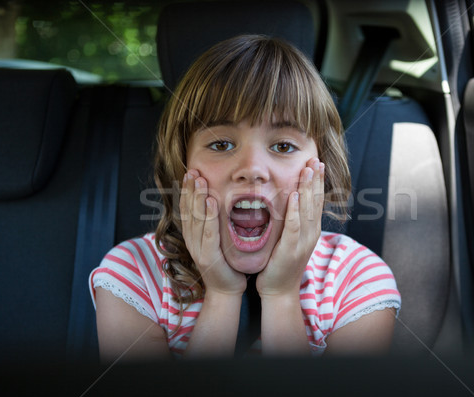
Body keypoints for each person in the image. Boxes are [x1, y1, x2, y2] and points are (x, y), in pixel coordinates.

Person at [89, 34, 401, 362]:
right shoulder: (133, 274)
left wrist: (282, 294)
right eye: (221, 144)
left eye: (283, 146)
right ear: (182, 165)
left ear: (322, 170)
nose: (252, 169)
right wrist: (222, 295)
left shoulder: (358, 279)